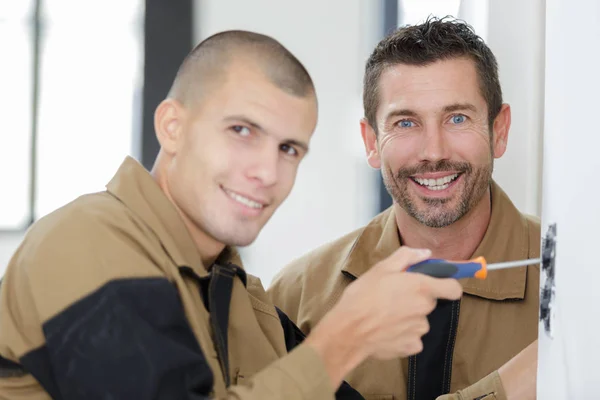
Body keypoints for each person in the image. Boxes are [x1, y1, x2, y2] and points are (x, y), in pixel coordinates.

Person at [0, 30, 462, 399]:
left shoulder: (240, 295)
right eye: (241, 130)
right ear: (172, 128)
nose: (266, 171)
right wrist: (342, 341)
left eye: (288, 149)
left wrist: (522, 378)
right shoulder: (89, 244)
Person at [268, 17, 540, 400]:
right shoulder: (293, 299)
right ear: (372, 142)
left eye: (457, 118)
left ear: (499, 130)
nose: (434, 152)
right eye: (406, 122)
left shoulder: (578, 285)